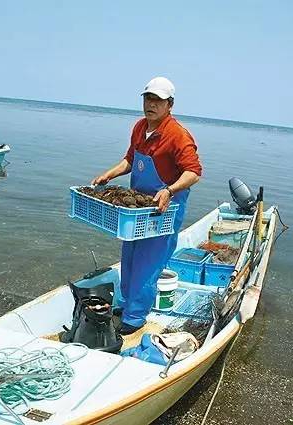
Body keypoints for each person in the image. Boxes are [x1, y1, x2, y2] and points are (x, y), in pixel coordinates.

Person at [92, 77, 202, 334]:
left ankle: (135, 317)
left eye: (158, 100)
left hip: (164, 209)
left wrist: (169, 189)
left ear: (170, 104)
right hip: (137, 209)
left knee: (149, 262)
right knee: (129, 256)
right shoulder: (140, 127)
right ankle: (126, 303)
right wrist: (110, 174)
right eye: (148, 98)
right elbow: (130, 160)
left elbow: (193, 172)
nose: (151, 104)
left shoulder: (178, 135)